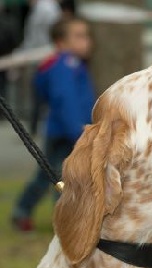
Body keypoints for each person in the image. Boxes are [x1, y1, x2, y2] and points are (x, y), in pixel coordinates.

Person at [11, 16, 94, 232]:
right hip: (67, 133)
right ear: (60, 43)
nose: (86, 41)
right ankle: (59, 221)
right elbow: (64, 99)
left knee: (53, 176)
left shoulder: (71, 64)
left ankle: (28, 212)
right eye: (79, 36)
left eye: (86, 36)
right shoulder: (65, 64)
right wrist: (79, 131)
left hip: (68, 130)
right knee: (59, 177)